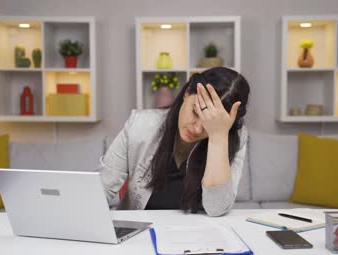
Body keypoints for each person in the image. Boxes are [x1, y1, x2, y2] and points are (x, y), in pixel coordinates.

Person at [100, 67, 250, 216]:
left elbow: (216, 208)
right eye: (195, 112)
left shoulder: (233, 138)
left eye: (209, 122)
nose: (197, 129)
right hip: (142, 233)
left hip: (201, 235)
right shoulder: (140, 125)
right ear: (186, 93)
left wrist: (218, 137)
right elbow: (102, 188)